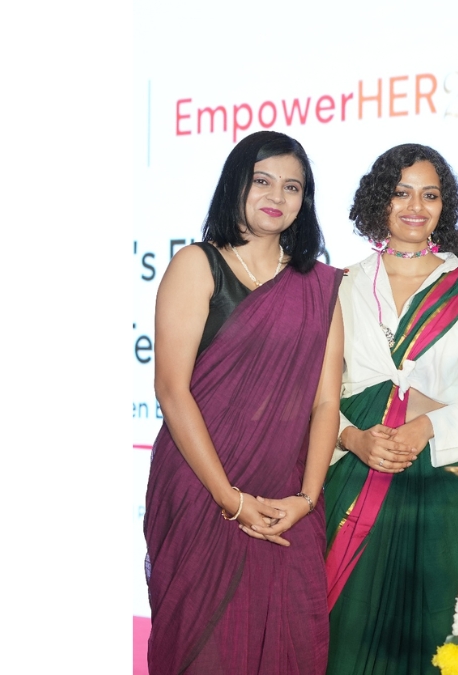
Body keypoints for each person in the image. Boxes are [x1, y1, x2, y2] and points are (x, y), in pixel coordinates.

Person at [144, 130, 343, 675]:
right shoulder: (197, 264)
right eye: (262, 180)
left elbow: (326, 402)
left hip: (287, 502)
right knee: (204, 649)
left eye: (292, 186)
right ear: (236, 184)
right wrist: (230, 499)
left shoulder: (321, 285)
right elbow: (172, 390)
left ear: (305, 201)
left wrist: (305, 499)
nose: (277, 195)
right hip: (200, 488)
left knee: (290, 645)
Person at [322, 143, 458, 675]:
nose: (415, 206)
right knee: (346, 635)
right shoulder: (341, 286)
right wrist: (352, 437)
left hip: (440, 489)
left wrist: (427, 425)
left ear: (445, 206)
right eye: (401, 192)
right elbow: (313, 392)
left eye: (430, 195)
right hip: (353, 476)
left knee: (436, 638)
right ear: (379, 200)